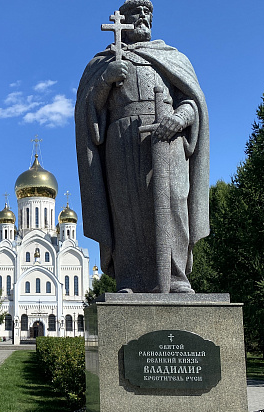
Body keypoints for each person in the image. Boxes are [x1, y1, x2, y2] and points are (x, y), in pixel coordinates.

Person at [75, 0, 209, 293]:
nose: (144, 17)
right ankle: (130, 278)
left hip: (167, 139)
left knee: (174, 204)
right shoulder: (102, 63)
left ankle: (176, 279)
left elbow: (192, 101)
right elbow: (88, 113)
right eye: (137, 12)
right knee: (127, 210)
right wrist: (104, 82)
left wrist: (179, 118)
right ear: (121, 20)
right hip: (120, 144)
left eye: (148, 13)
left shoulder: (171, 57)